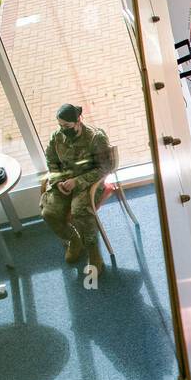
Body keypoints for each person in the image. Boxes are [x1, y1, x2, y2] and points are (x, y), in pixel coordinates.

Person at [40, 103, 110, 273]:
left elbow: (104, 167)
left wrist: (77, 181)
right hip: (64, 183)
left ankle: (94, 254)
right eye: (60, 126)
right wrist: (57, 182)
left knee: (79, 212)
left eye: (67, 126)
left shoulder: (95, 138)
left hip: (88, 184)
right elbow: (52, 163)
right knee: (48, 213)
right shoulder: (56, 137)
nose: (63, 129)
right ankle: (74, 240)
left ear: (78, 120)